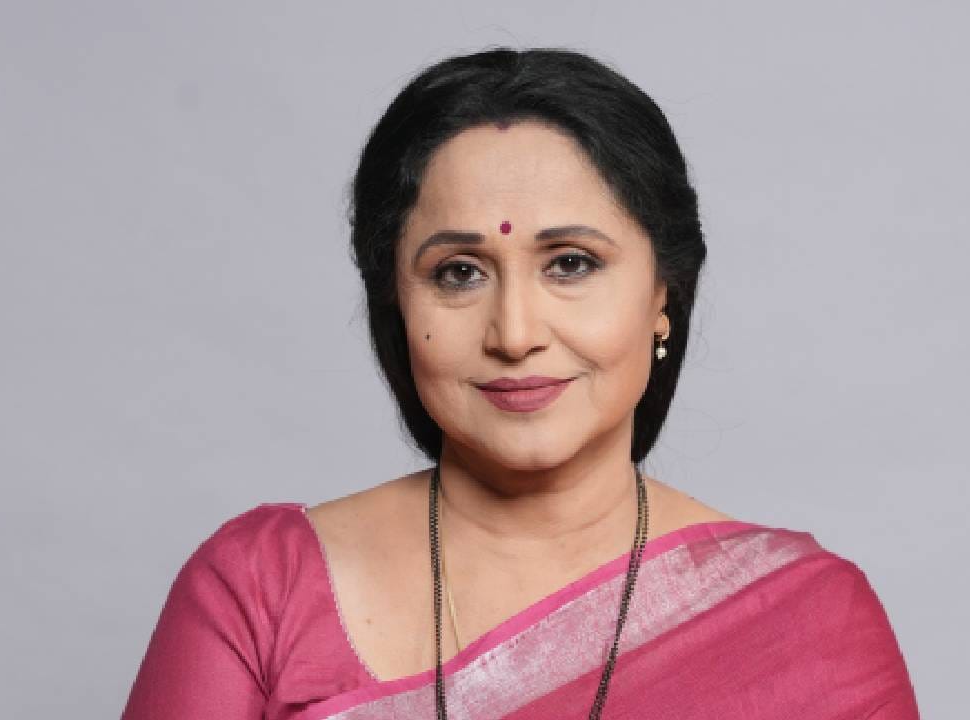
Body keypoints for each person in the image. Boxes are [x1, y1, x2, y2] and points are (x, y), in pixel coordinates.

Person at [121, 47, 919, 720]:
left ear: (662, 294)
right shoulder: (263, 591)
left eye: (571, 263)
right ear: (395, 302)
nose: (513, 333)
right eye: (458, 273)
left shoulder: (805, 621)